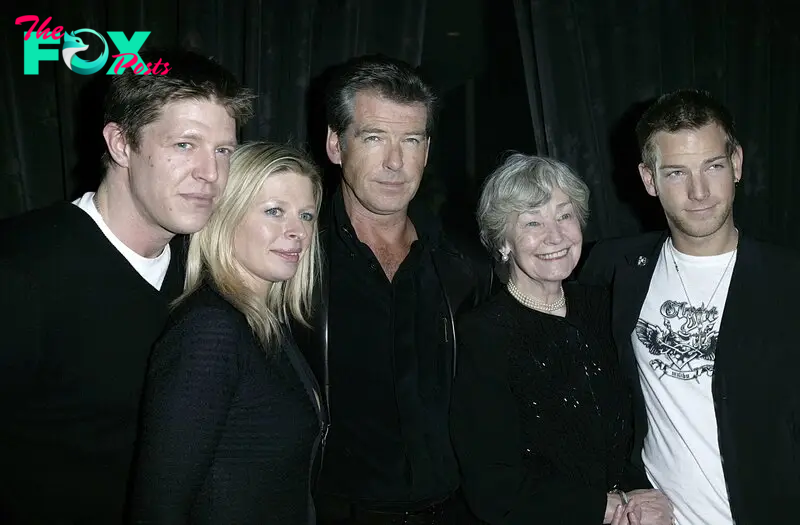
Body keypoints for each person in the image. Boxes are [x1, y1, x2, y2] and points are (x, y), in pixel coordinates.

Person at [0, 49, 254, 524]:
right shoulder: (21, 269)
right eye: (185, 144)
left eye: (224, 150)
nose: (211, 173)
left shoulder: (208, 270)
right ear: (120, 144)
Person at [579, 89, 800, 524]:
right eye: (677, 172)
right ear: (649, 179)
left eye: (713, 166)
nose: (699, 191)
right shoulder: (612, 268)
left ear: (736, 163)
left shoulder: (789, 282)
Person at [292, 54, 495, 524]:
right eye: (375, 138)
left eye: (411, 140)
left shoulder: (467, 267)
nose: (395, 162)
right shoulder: (294, 260)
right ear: (336, 144)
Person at [449, 154, 672, 525]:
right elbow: (493, 489)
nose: (555, 236)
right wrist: (610, 506)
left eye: (564, 215)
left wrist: (647, 500)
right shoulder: (481, 337)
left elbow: (640, 427)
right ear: (502, 241)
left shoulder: (604, 305)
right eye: (532, 222)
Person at [127, 142, 326, 524]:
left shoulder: (262, 322)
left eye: (306, 215)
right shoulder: (211, 331)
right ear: (226, 216)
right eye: (274, 211)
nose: (297, 231)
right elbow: (158, 506)